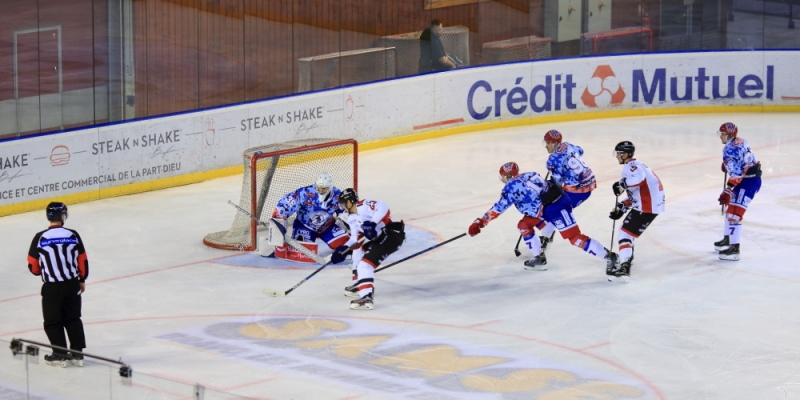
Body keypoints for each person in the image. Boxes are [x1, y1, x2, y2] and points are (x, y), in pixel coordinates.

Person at [468, 162, 618, 273]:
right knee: (523, 225)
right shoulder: (531, 174)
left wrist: (481, 221)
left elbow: (499, 208)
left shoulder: (511, 187)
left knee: (575, 238)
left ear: (508, 176)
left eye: (502, 177)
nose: (502, 180)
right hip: (545, 208)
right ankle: (539, 257)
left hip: (556, 207)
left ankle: (610, 257)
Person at [27, 202, 89, 367]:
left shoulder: (40, 237)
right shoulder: (73, 234)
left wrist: (43, 271)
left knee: (52, 321)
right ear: (63, 216)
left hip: (52, 287)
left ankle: (60, 354)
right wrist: (81, 279)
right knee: (73, 318)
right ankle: (77, 354)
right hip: (71, 285)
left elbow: (33, 265)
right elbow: (82, 260)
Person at [330, 189, 406, 310]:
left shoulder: (363, 206)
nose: (342, 206)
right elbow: (356, 240)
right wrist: (344, 249)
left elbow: (383, 207)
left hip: (392, 235)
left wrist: (372, 223)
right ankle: (358, 282)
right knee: (357, 250)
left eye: (344, 203)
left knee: (364, 266)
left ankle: (366, 297)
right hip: (381, 238)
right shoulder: (351, 218)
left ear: (350, 202)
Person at [608, 141, 665, 282]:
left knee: (624, 232)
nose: (616, 157)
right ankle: (628, 256)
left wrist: (622, 184)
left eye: (618, 154)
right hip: (648, 205)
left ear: (625, 154)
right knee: (627, 231)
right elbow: (636, 192)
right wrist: (623, 206)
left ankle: (625, 266)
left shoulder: (632, 165)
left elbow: (638, 179)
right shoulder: (634, 166)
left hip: (647, 207)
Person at [539, 129, 597, 253]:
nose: (546, 146)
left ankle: (546, 238)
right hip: (589, 182)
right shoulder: (569, 145)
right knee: (553, 208)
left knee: (552, 209)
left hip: (577, 191)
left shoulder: (552, 160)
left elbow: (557, 182)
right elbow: (581, 150)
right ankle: (546, 235)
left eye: (548, 143)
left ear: (554, 143)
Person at [715, 122, 761, 261]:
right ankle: (728, 239)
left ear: (729, 135)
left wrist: (728, 190)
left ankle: (735, 249)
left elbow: (735, 175)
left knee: (735, 214)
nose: (720, 137)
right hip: (748, 179)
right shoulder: (741, 140)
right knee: (730, 212)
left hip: (748, 182)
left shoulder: (728, 150)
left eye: (722, 134)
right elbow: (745, 160)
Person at [272, 172, 350, 254]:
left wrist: (348, 223)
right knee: (300, 252)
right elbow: (284, 205)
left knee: (347, 247)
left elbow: (345, 212)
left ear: (330, 187)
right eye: (319, 187)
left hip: (327, 226)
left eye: (324, 188)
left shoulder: (338, 195)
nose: (321, 190)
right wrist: (279, 219)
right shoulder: (305, 192)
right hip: (305, 226)